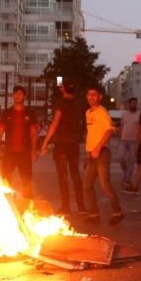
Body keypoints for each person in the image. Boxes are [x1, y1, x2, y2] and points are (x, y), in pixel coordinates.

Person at [39, 81, 87, 216]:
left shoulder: (61, 103)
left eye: (61, 87)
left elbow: (55, 123)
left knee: (63, 176)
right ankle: (81, 206)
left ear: (63, 89)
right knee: (75, 174)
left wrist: (45, 143)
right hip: (74, 143)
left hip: (61, 143)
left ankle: (66, 208)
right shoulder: (79, 104)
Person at [82, 86, 123, 224]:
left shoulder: (102, 111)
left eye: (94, 95)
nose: (91, 97)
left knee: (105, 186)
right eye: (89, 95)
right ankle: (94, 215)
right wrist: (89, 154)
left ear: (100, 97)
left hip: (102, 153)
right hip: (91, 155)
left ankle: (117, 213)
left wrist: (98, 148)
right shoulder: (88, 112)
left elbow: (109, 131)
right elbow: (92, 134)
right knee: (87, 185)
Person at [0, 86, 39, 200]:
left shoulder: (30, 113)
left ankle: (29, 210)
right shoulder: (7, 112)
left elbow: (33, 133)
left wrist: (33, 150)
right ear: (12, 96)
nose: (17, 96)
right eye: (15, 94)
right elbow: (0, 132)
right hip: (9, 154)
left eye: (20, 94)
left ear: (24, 96)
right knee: (5, 182)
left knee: (26, 183)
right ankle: (7, 206)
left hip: (25, 154)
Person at [118, 97, 139, 190]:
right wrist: (119, 139)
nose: (134, 105)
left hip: (134, 141)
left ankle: (127, 179)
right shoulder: (124, 114)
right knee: (121, 157)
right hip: (123, 140)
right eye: (132, 103)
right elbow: (121, 126)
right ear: (129, 104)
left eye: (135, 103)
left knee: (131, 161)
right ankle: (127, 173)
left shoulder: (139, 115)